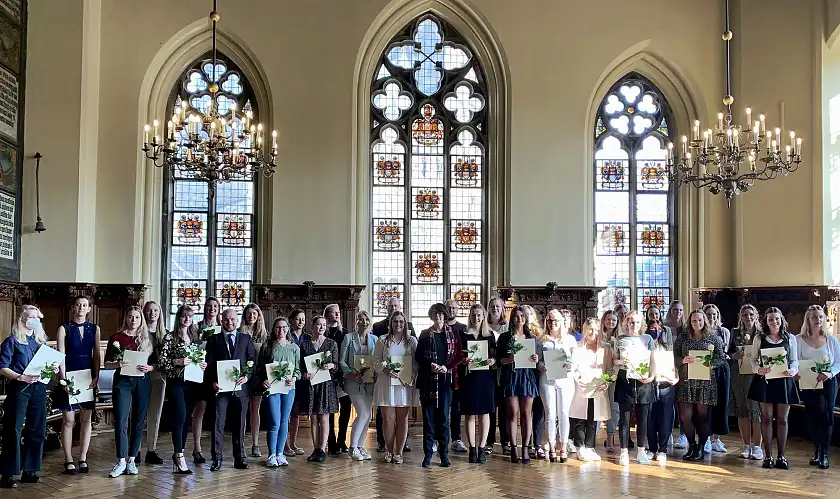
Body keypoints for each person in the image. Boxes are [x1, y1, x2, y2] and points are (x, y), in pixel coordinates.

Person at [0, 306, 54, 489]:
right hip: (20, 388)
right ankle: (8, 473)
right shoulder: (12, 341)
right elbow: (2, 367)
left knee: (37, 428)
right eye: (30, 317)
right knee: (13, 429)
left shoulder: (39, 341)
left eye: (37, 317)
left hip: (38, 388)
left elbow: (45, 364)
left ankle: (30, 470)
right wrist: (19, 376)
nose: (34, 320)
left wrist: (52, 368)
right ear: (22, 319)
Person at [104, 306, 155, 478]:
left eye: (137, 317)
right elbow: (107, 364)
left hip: (142, 381)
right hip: (123, 382)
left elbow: (155, 363)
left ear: (141, 320)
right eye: (130, 317)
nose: (134, 320)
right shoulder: (116, 338)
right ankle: (121, 460)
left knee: (139, 421)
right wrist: (118, 364)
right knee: (121, 420)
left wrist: (149, 367)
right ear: (125, 318)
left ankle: (132, 459)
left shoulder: (147, 339)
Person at [156, 305, 207, 474]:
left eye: (190, 317)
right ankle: (178, 454)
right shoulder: (170, 337)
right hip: (176, 381)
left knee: (187, 419)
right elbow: (162, 363)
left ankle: (181, 452)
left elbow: (199, 358)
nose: (187, 319)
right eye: (184, 316)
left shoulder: (195, 337)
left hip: (192, 382)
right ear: (179, 317)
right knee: (180, 416)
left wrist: (202, 364)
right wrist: (177, 361)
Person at [205, 309, 258, 471]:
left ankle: (239, 457)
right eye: (226, 320)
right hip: (220, 390)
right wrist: (213, 382)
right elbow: (208, 365)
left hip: (240, 390)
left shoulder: (245, 339)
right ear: (222, 320)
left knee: (239, 424)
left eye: (233, 319)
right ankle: (217, 458)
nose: (230, 323)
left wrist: (247, 377)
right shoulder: (213, 339)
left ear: (237, 320)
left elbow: (252, 361)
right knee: (218, 424)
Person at [747, 307, 799, 470]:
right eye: (770, 319)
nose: (774, 321)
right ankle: (768, 456)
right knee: (767, 419)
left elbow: (795, 360)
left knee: (783, 419)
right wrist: (758, 369)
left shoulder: (790, 338)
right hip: (765, 382)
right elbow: (753, 360)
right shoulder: (759, 338)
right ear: (766, 321)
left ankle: (781, 456)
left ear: (781, 320)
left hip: (784, 381)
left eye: (776, 319)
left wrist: (793, 370)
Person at [55, 296, 100, 475]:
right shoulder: (64, 328)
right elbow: (61, 355)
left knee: (86, 419)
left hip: (87, 376)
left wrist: (97, 376)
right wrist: (63, 378)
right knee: (69, 420)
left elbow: (96, 354)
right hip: (69, 376)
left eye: (84, 305)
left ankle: (82, 457)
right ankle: (68, 459)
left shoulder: (94, 329)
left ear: (89, 308)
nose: (81, 307)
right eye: (78, 304)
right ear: (73, 307)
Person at [416, 303, 464, 467]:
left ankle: (444, 455)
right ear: (431, 316)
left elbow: (458, 356)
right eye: (435, 314)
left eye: (441, 314)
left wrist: (447, 367)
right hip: (428, 383)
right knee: (428, 421)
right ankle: (428, 455)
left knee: (444, 419)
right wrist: (430, 364)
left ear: (445, 316)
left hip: (446, 382)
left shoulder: (454, 333)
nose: (438, 316)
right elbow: (419, 357)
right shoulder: (424, 334)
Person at [674, 310, 726, 462]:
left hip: (705, 382)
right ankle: (692, 445)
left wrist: (710, 364)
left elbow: (721, 357)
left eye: (700, 320)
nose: (697, 323)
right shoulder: (683, 337)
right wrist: (683, 360)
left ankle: (701, 447)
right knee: (685, 416)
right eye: (694, 321)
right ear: (690, 322)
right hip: (686, 381)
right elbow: (674, 356)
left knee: (702, 416)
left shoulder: (713, 338)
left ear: (705, 321)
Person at [796, 305, 840, 469]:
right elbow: (795, 361)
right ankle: (817, 449)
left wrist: (829, 373)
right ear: (808, 319)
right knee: (812, 417)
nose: (818, 320)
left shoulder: (831, 340)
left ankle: (824, 453)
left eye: (821, 317)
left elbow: (838, 363)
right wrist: (795, 373)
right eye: (814, 317)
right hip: (807, 382)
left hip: (828, 382)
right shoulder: (798, 339)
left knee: (826, 417)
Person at [496, 305, 541, 464]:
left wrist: (536, 359)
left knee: (526, 414)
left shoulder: (532, 338)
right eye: (516, 316)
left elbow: (539, 361)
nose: (519, 319)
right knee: (512, 413)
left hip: (527, 377)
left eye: (522, 316)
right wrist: (509, 360)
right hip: (511, 376)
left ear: (526, 319)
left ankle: (526, 448)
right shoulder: (504, 338)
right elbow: (498, 361)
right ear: (512, 318)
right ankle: (513, 447)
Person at [373, 310, 419, 464]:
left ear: (405, 323)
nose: (398, 324)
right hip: (386, 383)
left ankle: (399, 452)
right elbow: (375, 361)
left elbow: (416, 363)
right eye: (395, 321)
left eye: (401, 321)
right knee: (387, 418)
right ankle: (389, 450)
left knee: (402, 418)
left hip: (404, 384)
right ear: (390, 323)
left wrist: (412, 375)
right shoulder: (382, 340)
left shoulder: (411, 340)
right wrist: (384, 369)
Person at [612, 310, 656, 466]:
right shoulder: (620, 339)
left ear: (642, 323)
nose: (634, 325)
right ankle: (623, 452)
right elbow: (614, 359)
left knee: (643, 420)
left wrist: (651, 377)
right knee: (624, 419)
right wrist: (620, 362)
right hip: (625, 382)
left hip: (644, 384)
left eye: (637, 322)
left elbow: (652, 360)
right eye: (631, 322)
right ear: (626, 323)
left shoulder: (647, 339)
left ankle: (641, 451)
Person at [256, 316, 301, 467]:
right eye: (278, 327)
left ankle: (280, 453)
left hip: (289, 389)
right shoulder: (267, 346)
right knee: (274, 421)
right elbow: (260, 369)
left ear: (288, 329)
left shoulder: (294, 348)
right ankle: (271, 454)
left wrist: (294, 377)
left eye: (284, 328)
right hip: (272, 389)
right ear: (273, 329)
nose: (281, 330)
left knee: (284, 421)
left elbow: (298, 370)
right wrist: (263, 380)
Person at [538, 308, 579, 463]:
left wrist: (569, 366)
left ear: (562, 322)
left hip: (565, 380)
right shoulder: (542, 340)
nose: (553, 323)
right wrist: (540, 365)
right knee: (550, 413)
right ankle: (551, 446)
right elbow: (537, 360)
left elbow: (575, 361)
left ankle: (563, 447)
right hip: (547, 379)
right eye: (550, 320)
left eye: (556, 321)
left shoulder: (569, 340)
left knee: (563, 413)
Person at [458, 304, 496, 464]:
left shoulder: (490, 335)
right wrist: (463, 360)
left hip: (486, 377)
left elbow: (496, 356)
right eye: (473, 315)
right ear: (470, 316)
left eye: (479, 315)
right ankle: (472, 449)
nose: (476, 318)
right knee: (470, 413)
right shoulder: (463, 334)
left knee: (484, 413)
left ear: (484, 316)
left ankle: (481, 448)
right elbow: (457, 356)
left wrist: (492, 360)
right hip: (469, 377)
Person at [569, 318, 610, 462]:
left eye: (596, 329)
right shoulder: (578, 347)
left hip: (597, 387)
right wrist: (578, 378)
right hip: (581, 387)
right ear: (585, 330)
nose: (593, 333)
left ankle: (590, 447)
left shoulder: (605, 348)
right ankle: (580, 447)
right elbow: (572, 367)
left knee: (593, 419)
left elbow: (610, 369)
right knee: (580, 418)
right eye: (590, 329)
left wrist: (606, 382)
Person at [300, 315, 340, 463]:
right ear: (312, 326)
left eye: (324, 324)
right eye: (318, 324)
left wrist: (331, 366)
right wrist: (304, 375)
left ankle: (322, 449)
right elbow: (301, 366)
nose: (322, 327)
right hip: (311, 385)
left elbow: (336, 366)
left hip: (326, 385)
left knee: (324, 417)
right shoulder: (305, 344)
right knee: (314, 418)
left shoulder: (331, 344)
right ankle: (315, 449)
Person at [340, 310, 377, 461]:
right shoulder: (348, 338)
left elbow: (377, 360)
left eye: (366, 319)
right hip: (353, 381)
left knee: (367, 416)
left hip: (370, 381)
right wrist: (351, 373)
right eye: (360, 319)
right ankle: (352, 447)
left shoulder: (375, 339)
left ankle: (360, 446)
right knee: (362, 413)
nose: (363, 322)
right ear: (356, 322)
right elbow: (341, 361)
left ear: (369, 321)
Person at [727, 304, 763, 460]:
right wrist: (734, 355)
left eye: (750, 314)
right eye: (744, 315)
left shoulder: (761, 334)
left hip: (756, 376)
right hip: (739, 375)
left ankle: (757, 447)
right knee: (742, 410)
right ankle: (746, 445)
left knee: (755, 411)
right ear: (740, 317)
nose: (747, 317)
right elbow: (727, 353)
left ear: (755, 315)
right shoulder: (734, 333)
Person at [644, 305, 677, 464]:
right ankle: (652, 448)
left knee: (665, 415)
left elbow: (671, 353)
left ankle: (662, 449)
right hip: (649, 381)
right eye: (651, 314)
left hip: (665, 379)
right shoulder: (643, 334)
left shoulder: (667, 332)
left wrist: (674, 374)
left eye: (656, 314)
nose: (654, 317)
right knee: (651, 416)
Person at [191, 297, 221, 464]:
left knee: (218, 413)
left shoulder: (223, 327)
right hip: (200, 374)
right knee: (199, 411)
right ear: (204, 308)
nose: (212, 309)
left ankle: (217, 450)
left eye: (215, 306)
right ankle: (197, 448)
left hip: (217, 375)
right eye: (209, 306)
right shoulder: (196, 328)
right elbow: (192, 348)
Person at [240, 303, 268, 458]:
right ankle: (241, 444)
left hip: (257, 376)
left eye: (254, 314)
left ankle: (255, 444)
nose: (251, 317)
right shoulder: (239, 333)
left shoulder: (264, 336)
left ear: (259, 317)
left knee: (254, 411)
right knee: (242, 411)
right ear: (245, 316)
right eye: (249, 314)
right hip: (242, 376)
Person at [703, 304, 731, 453]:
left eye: (714, 314)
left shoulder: (724, 331)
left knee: (721, 403)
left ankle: (716, 439)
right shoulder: (701, 332)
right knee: (706, 404)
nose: (711, 317)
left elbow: (727, 352)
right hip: (706, 369)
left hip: (722, 370)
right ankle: (706, 438)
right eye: (708, 314)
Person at [324, 304, 351, 455]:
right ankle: (331, 441)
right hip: (328, 376)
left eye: (338, 312)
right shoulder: (325, 333)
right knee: (330, 409)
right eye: (333, 312)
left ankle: (342, 440)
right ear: (327, 315)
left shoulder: (345, 334)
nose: (337, 315)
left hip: (343, 376)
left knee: (346, 407)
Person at [142, 300, 167, 465]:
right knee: (137, 413)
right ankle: (134, 450)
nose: (152, 313)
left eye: (155, 311)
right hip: (139, 375)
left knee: (155, 414)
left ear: (160, 314)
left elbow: (167, 359)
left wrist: (154, 367)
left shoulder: (165, 335)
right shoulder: (138, 332)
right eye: (149, 310)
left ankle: (151, 450)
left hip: (158, 376)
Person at [443, 299, 468, 454]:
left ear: (457, 310)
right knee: (443, 409)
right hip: (443, 374)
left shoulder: (463, 328)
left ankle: (457, 439)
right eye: (448, 307)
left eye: (454, 308)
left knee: (457, 409)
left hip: (459, 375)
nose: (451, 310)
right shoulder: (438, 328)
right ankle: (442, 439)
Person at [486, 296, 508, 455]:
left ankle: (506, 441)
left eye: (498, 306)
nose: (495, 308)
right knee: (491, 408)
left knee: (505, 409)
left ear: (502, 309)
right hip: (489, 373)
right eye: (492, 306)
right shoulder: (484, 327)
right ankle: (489, 441)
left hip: (505, 372)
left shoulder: (508, 328)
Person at [285, 308, 308, 457]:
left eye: (303, 319)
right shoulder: (286, 336)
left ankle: (292, 443)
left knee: (296, 414)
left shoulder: (307, 337)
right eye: (298, 319)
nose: (300, 322)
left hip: (302, 380)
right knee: (286, 413)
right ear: (291, 321)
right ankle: (285, 444)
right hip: (288, 378)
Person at [599, 309, 620, 453]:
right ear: (603, 321)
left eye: (613, 320)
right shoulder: (598, 336)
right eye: (608, 319)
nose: (610, 322)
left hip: (615, 376)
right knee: (597, 406)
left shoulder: (621, 338)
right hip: (598, 375)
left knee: (613, 408)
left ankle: (611, 439)